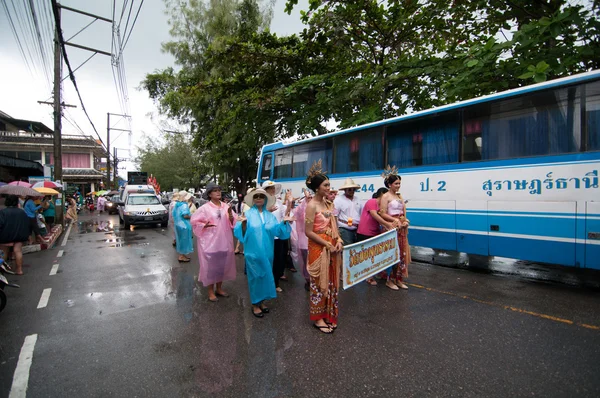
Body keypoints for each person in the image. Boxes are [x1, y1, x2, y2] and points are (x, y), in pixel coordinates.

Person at [233, 188, 293, 318]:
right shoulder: (247, 214)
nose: (259, 198)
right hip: (253, 253)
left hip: (267, 253)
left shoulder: (270, 216)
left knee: (265, 275)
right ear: (253, 199)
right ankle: (255, 304)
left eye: (261, 196)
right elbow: (239, 232)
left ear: (265, 199)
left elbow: (277, 231)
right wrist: (243, 224)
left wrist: (284, 222)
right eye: (256, 196)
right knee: (255, 278)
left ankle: (262, 301)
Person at [304, 160, 343, 334]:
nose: (329, 188)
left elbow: (334, 225)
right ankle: (318, 317)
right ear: (318, 187)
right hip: (318, 249)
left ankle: (329, 313)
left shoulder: (329, 204)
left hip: (332, 247)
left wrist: (339, 239)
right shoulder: (311, 206)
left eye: (329, 185)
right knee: (319, 283)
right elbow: (308, 232)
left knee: (332, 281)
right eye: (326, 185)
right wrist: (326, 243)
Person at [190, 182, 237, 302]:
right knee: (211, 268)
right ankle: (210, 291)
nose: (218, 192)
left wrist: (231, 216)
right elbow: (194, 221)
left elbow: (234, 222)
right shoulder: (204, 208)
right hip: (210, 243)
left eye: (219, 190)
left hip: (224, 241)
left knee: (221, 267)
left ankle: (219, 288)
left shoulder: (226, 207)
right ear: (209, 194)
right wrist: (203, 225)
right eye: (215, 191)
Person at [379, 166, 411, 290]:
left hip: (400, 228)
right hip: (391, 228)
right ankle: (389, 279)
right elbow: (382, 213)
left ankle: (399, 279)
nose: (398, 186)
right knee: (391, 254)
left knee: (401, 254)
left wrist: (404, 220)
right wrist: (395, 220)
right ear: (389, 184)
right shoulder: (385, 197)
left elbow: (402, 212)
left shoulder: (399, 196)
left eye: (399, 183)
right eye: (396, 183)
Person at [357, 187, 395, 286]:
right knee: (367, 256)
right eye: (386, 195)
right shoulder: (372, 201)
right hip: (365, 232)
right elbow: (375, 215)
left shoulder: (381, 206)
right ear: (381, 194)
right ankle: (368, 277)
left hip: (375, 232)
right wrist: (387, 224)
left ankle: (374, 274)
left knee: (373, 255)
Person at [262, 180, 292, 292]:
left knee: (279, 260)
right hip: (266, 237)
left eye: (273, 188)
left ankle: (275, 282)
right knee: (268, 260)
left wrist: (289, 203)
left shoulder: (279, 203)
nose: (272, 190)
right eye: (269, 189)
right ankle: (266, 283)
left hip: (278, 236)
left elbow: (286, 215)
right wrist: (267, 211)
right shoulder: (261, 204)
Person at [0, 195, 32, 275]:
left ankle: (1, 271)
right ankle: (19, 270)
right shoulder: (22, 212)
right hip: (19, 235)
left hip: (5, 236)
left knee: (4, 252)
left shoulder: (3, 212)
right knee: (18, 251)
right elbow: (27, 224)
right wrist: (28, 235)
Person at [290, 190, 312, 290]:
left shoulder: (316, 208)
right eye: (307, 198)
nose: (309, 199)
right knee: (306, 261)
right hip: (304, 242)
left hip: (315, 241)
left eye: (311, 198)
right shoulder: (299, 210)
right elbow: (297, 214)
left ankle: (315, 280)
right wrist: (305, 202)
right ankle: (308, 280)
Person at [333, 178, 363, 246]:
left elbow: (361, 214)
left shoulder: (357, 199)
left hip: (356, 229)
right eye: (349, 189)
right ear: (345, 190)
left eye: (353, 189)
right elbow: (334, 216)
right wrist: (336, 231)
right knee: (349, 249)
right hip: (344, 228)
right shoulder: (338, 200)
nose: (352, 191)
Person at [173, 192, 194, 263]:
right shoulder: (184, 205)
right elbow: (185, 216)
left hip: (178, 225)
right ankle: (181, 256)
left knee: (180, 241)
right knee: (184, 241)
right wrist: (192, 216)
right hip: (184, 226)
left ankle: (182, 255)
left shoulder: (177, 205)